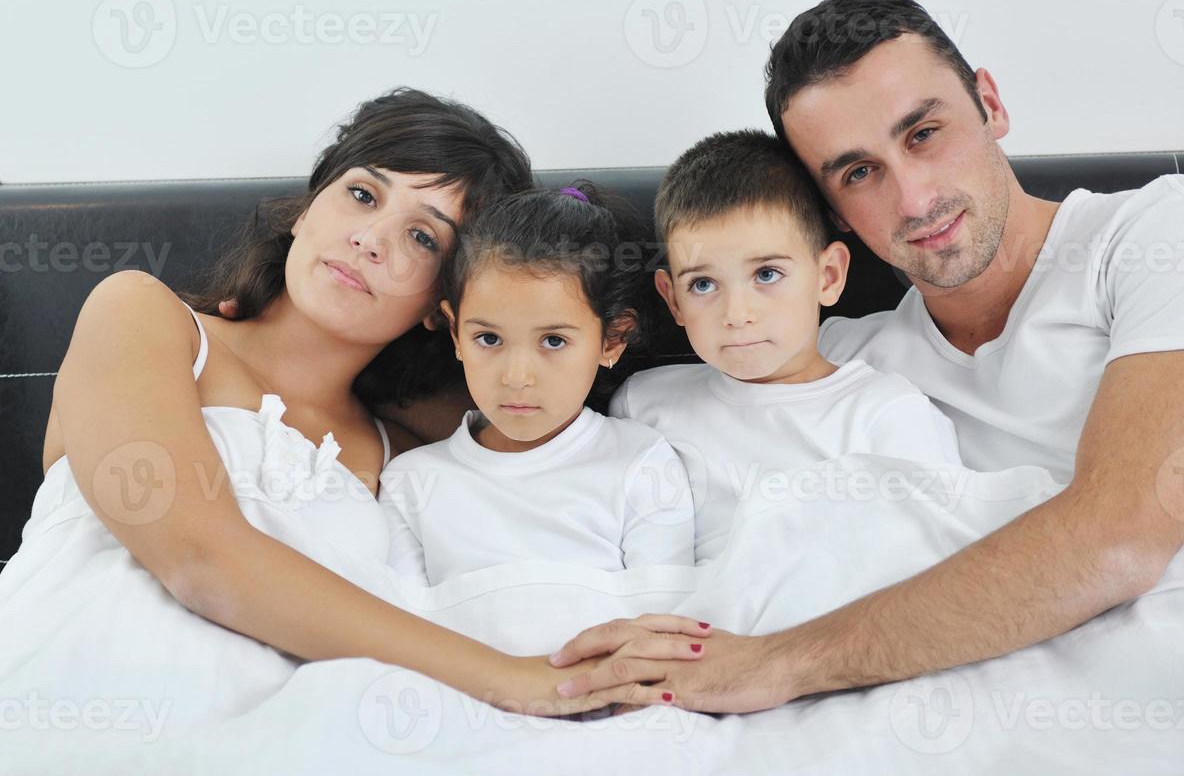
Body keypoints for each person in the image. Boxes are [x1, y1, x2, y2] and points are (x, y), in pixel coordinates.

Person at [548, 0, 1184, 713]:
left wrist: (778, 665)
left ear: (991, 105)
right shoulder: (837, 361)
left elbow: (1123, 533)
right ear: (832, 225)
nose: (913, 199)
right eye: (858, 173)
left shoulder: (1152, 237)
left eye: (923, 134)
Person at [0, 87, 711, 731]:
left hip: (293, 734)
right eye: (363, 196)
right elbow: (198, 560)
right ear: (308, 205)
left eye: (422, 236)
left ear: (450, 306)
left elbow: (576, 455)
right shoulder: (143, 316)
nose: (370, 240)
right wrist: (513, 682)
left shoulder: (408, 451)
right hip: (71, 702)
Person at [608, 129, 961, 564]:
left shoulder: (885, 414)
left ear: (827, 276)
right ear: (673, 299)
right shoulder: (643, 405)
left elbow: (937, 564)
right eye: (703, 284)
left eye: (767, 275)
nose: (736, 313)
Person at [381, 182, 696, 586]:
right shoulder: (411, 482)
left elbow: (662, 614)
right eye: (489, 339)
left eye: (553, 341)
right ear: (457, 334)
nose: (516, 377)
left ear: (612, 338)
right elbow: (403, 627)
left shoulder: (641, 463)